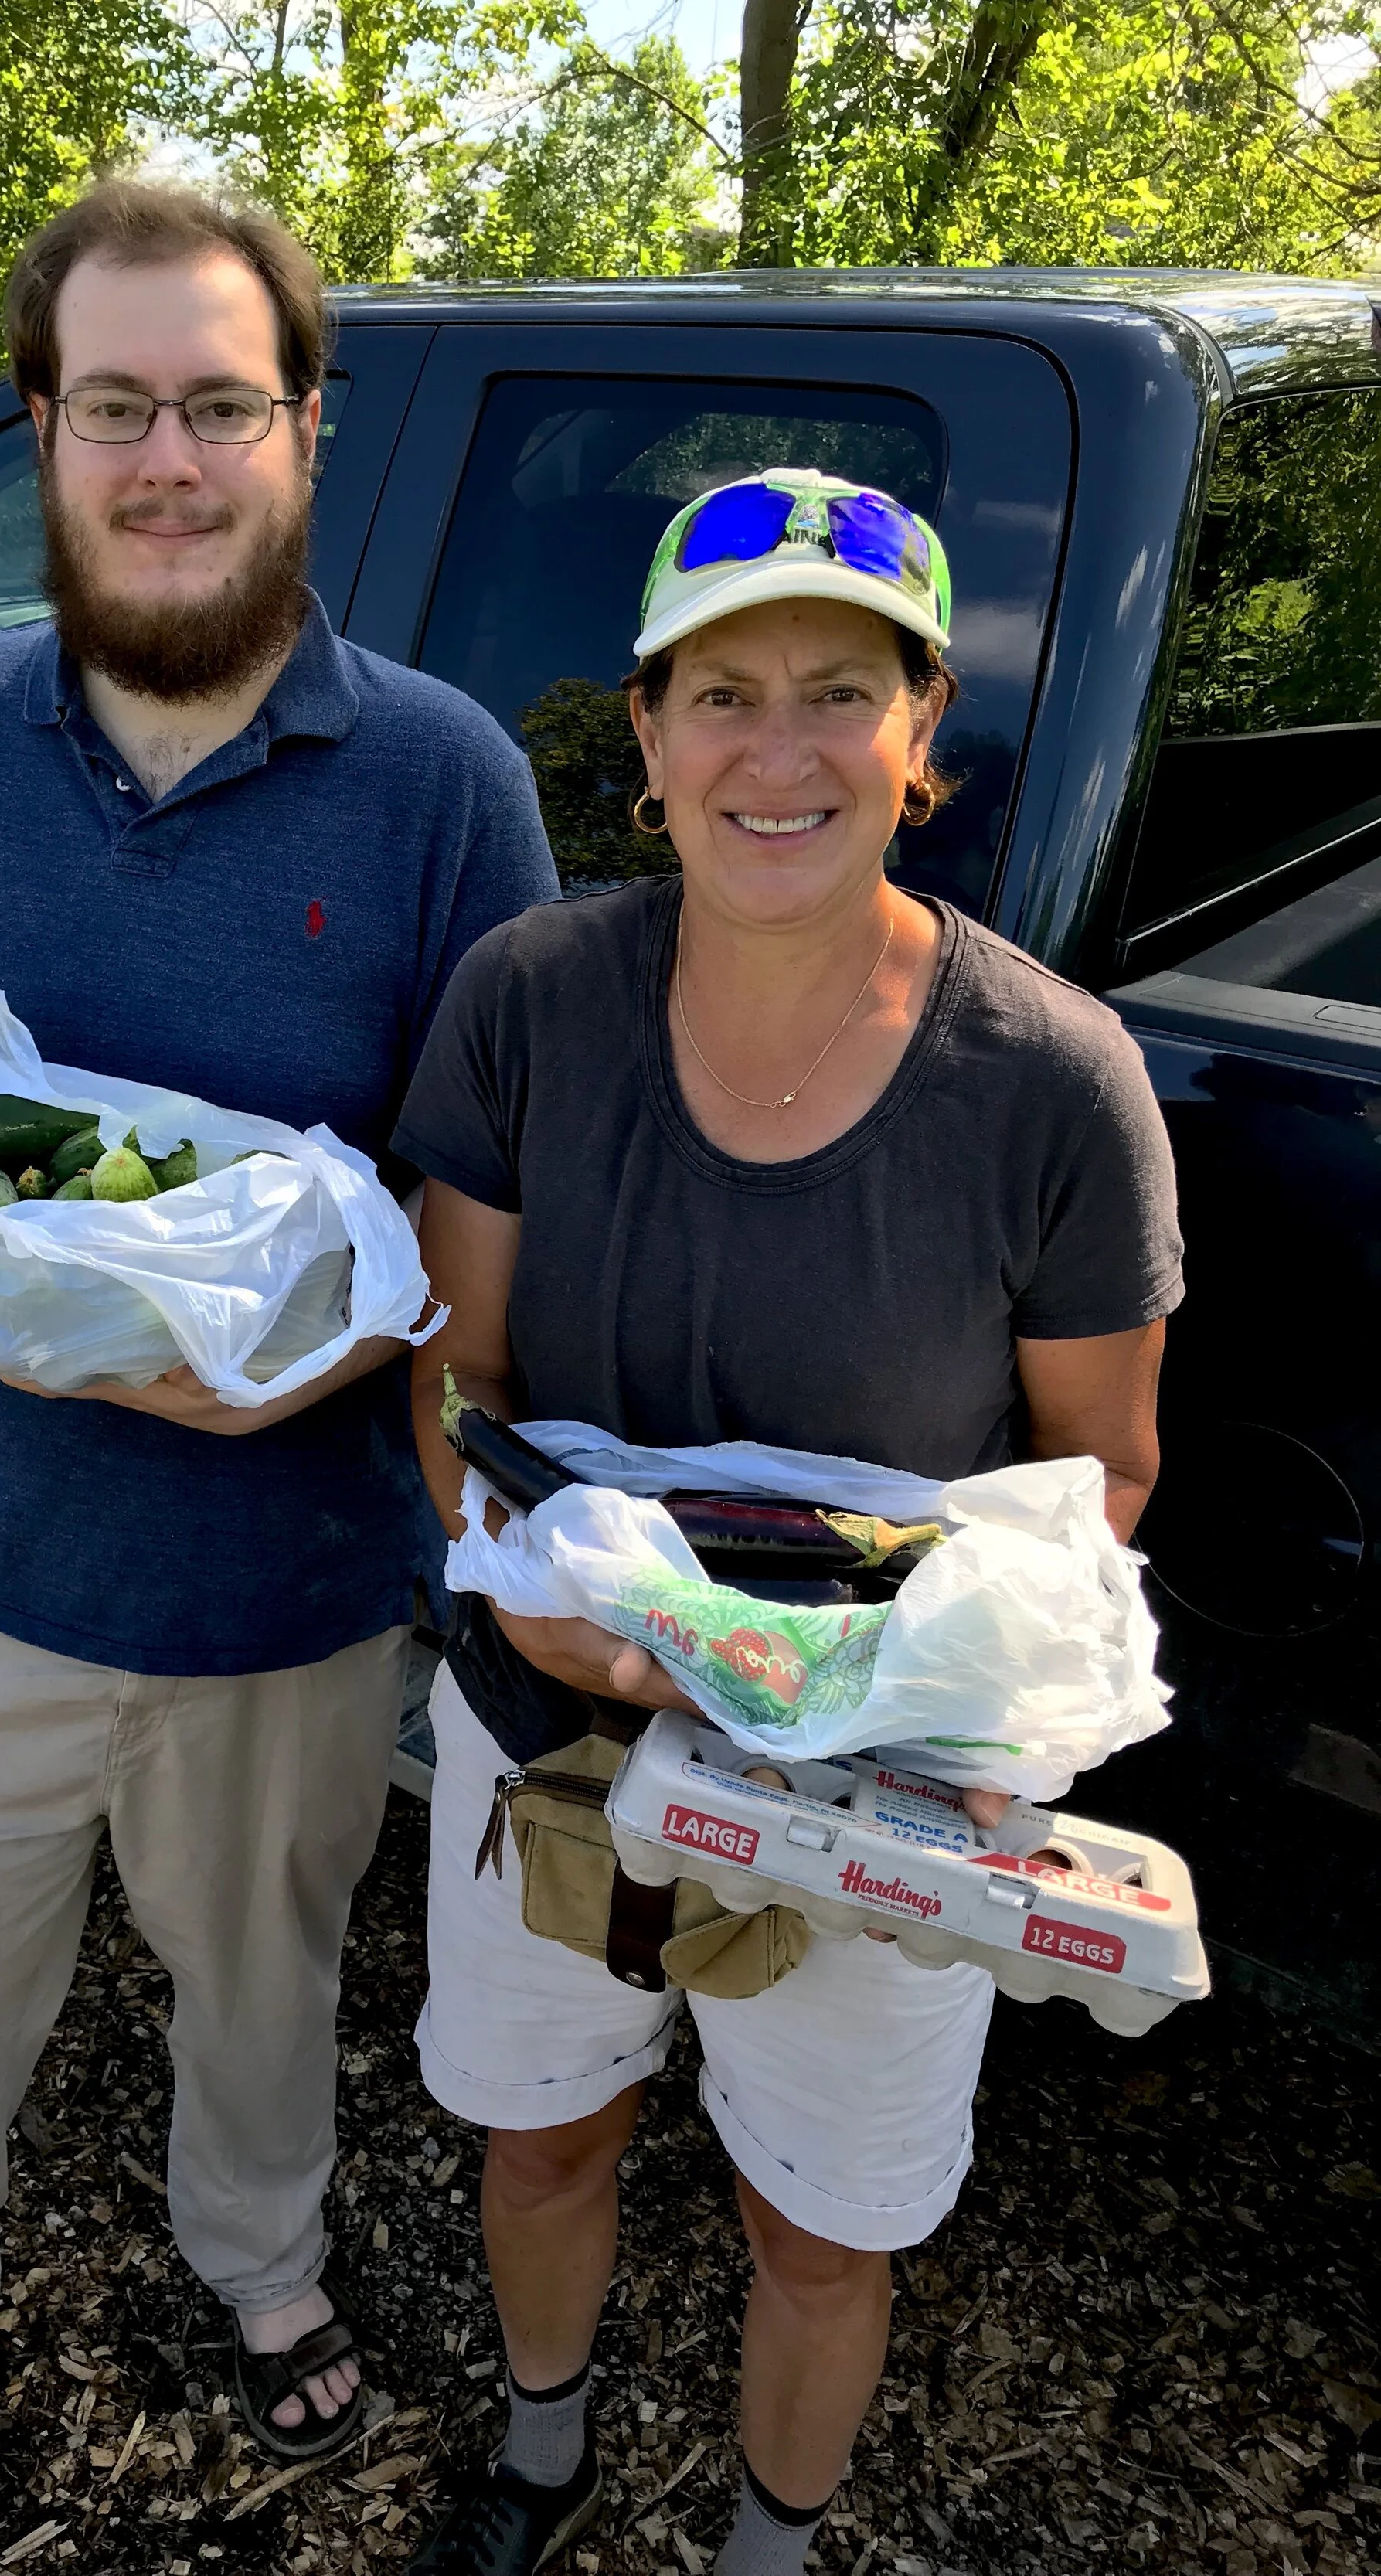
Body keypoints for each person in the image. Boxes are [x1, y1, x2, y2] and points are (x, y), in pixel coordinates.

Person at [0, 178, 558, 2564]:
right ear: (46, 433)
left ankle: (264, 2261)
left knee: (263, 1984)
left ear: (304, 434)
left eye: (220, 406)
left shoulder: (436, 783)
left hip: (289, 1580)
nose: (167, 459)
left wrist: (347, 1333)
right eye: (118, 408)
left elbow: (481, 1183)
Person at [391, 468, 1184, 2576]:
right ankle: (539, 2454)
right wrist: (545, 1608)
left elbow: (1098, 1467)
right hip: (545, 1718)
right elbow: (451, 1377)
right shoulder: (525, 1002)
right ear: (642, 742)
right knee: (543, 2134)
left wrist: (882, 1678)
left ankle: (768, 2542)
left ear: (920, 740)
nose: (777, 748)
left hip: (875, 1784)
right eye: (718, 692)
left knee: (822, 2225)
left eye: (840, 690)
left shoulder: (1051, 1081)